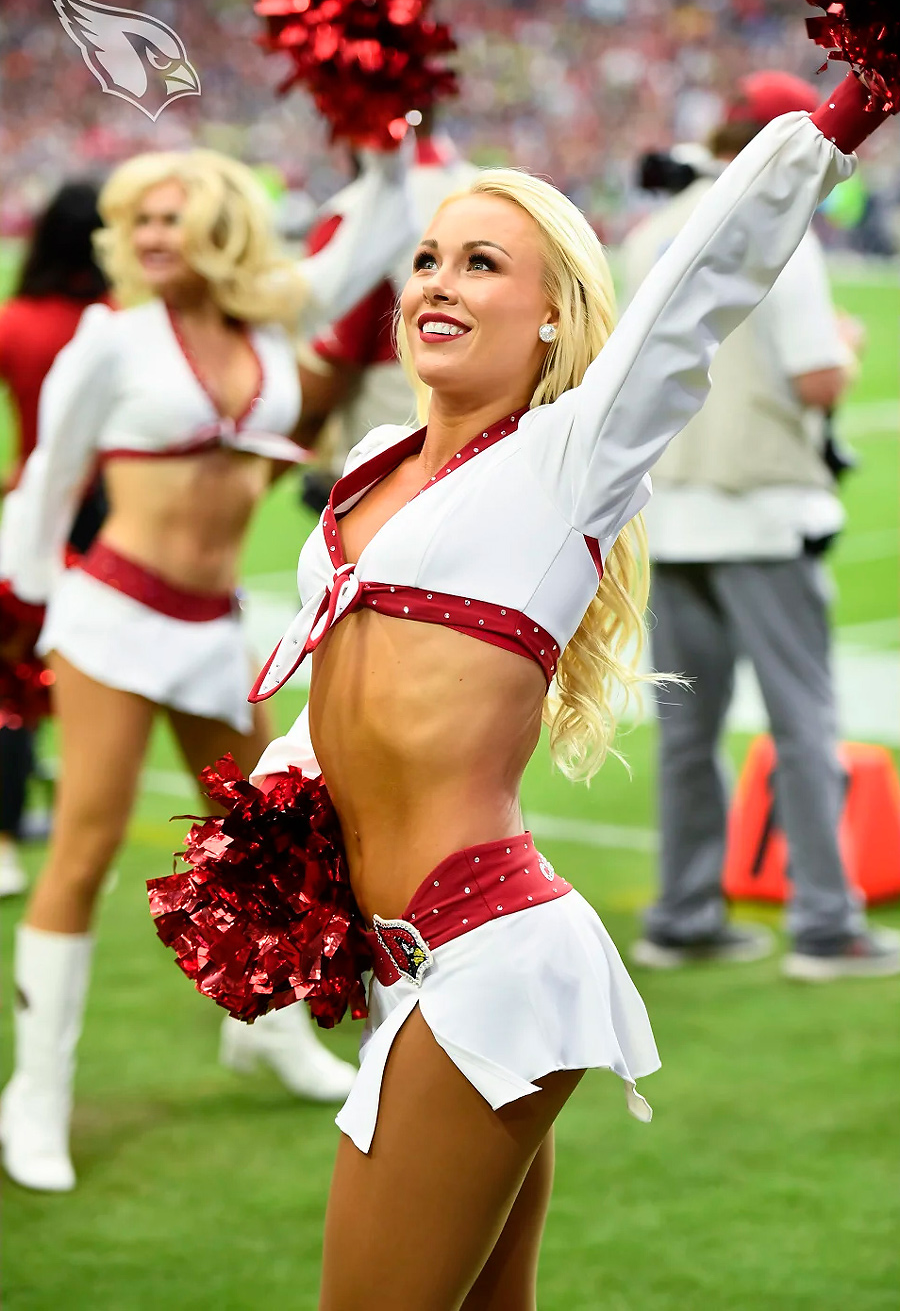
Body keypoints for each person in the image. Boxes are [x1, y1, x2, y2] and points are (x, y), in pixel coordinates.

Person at [229, 74, 882, 1306]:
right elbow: (355, 684)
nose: (439, 282)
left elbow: (698, 288)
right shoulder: (372, 462)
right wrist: (283, 799)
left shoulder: (566, 458)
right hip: (400, 966)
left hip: (486, 961)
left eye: (484, 264)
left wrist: (839, 116)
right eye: (429, 259)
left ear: (549, 318)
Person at [0, 143, 416, 1192]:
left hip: (211, 623)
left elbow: (369, 239)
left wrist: (389, 145)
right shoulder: (111, 340)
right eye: (137, 222)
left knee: (268, 835)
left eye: (170, 217)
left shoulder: (268, 320)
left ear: (220, 225)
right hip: (110, 616)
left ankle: (267, 1032)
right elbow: (52, 475)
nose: (147, 239)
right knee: (84, 844)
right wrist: (20, 603)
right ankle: (35, 1095)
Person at [622, 71, 900, 983]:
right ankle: (826, 924)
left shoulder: (653, 231)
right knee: (804, 720)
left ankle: (685, 911)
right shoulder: (783, 233)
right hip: (766, 511)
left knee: (685, 734)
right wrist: (850, 347)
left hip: (671, 513)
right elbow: (817, 377)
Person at [0, 181, 110, 899]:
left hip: (32, 508)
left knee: (13, 679)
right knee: (99, 681)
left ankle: (4, 839)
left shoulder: (15, 321)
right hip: (112, 513)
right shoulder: (119, 322)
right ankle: (81, 834)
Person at [295, 113, 478, 484]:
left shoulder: (352, 215)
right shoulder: (496, 198)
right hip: (490, 466)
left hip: (388, 481)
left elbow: (325, 379)